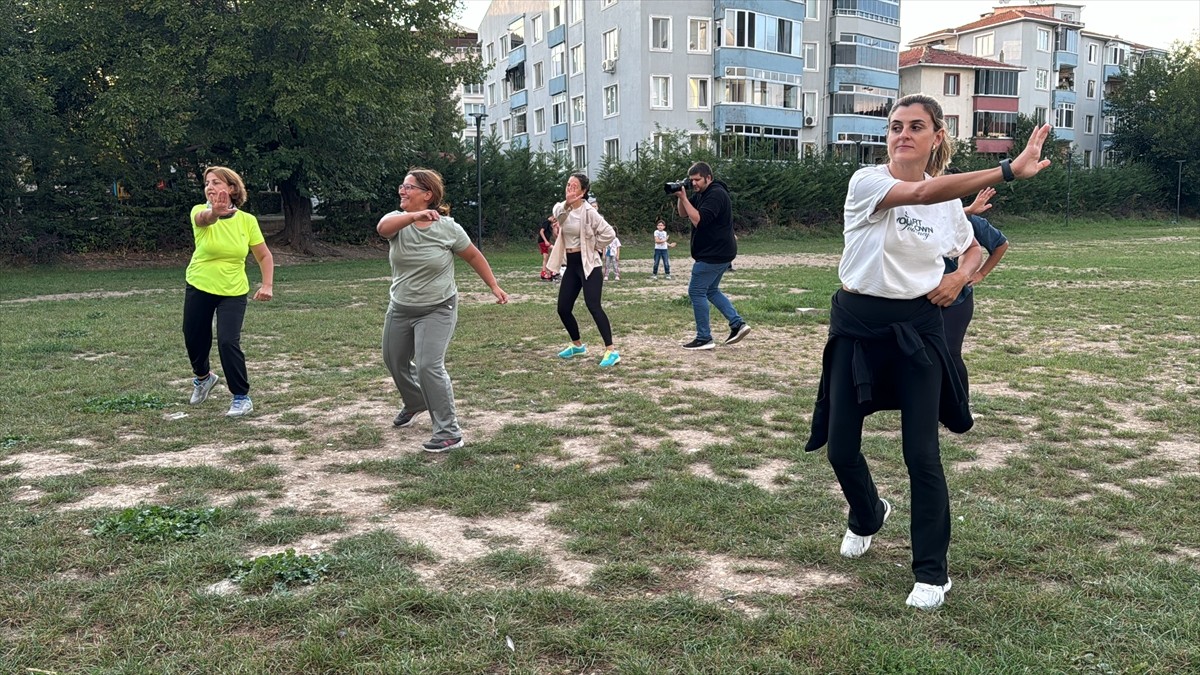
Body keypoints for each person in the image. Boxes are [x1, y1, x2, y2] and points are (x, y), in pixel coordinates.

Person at [804, 93, 1051, 610]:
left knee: (922, 455)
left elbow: (973, 245)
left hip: (917, 330)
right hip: (857, 326)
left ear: (936, 136)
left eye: (916, 126)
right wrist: (1004, 171)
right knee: (840, 448)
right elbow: (918, 194)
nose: (902, 134)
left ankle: (932, 573)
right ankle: (869, 513)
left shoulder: (944, 203)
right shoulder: (867, 182)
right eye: (895, 126)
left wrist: (961, 277)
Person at [377, 168, 509, 453]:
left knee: (428, 365)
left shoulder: (448, 228)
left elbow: (473, 255)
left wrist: (494, 286)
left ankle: (449, 432)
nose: (402, 190)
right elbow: (382, 229)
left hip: (438, 308)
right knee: (393, 360)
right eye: (402, 186)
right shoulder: (396, 221)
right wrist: (413, 217)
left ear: (428, 195)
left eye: (409, 187)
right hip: (400, 307)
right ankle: (415, 402)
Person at [183, 166, 274, 418]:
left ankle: (241, 397)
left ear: (232, 188)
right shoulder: (199, 212)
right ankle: (203, 378)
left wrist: (267, 285)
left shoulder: (247, 221)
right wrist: (215, 212)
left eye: (216, 183)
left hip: (233, 289)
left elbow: (264, 255)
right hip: (199, 284)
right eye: (207, 183)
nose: (209, 187)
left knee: (227, 340)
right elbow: (205, 219)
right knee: (194, 337)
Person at [545, 173, 621, 368]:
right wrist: (568, 204)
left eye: (574, 186)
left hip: (589, 264)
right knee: (563, 308)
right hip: (571, 264)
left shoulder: (590, 212)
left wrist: (595, 244)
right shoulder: (560, 207)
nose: (569, 188)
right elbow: (560, 218)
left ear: (583, 191)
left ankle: (611, 351)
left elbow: (610, 233)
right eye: (568, 185)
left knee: (593, 305)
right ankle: (577, 345)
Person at [672, 161, 749, 350]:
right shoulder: (702, 193)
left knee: (696, 292)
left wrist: (685, 197)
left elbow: (699, 221)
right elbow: (684, 214)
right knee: (711, 290)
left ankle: (704, 337)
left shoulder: (716, 194)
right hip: (721, 252)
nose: (694, 184)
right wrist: (681, 196)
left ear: (708, 177)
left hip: (713, 253)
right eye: (691, 180)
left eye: (697, 180)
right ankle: (737, 324)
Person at [943, 186, 1009, 392]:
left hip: (957, 300)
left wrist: (981, 273)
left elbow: (1001, 245)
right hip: (921, 299)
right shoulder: (922, 218)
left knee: (951, 354)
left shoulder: (971, 222)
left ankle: (960, 406)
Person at [538, 216, 556, 281]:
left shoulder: (550, 225)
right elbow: (541, 232)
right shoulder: (546, 222)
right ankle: (544, 272)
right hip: (543, 242)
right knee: (548, 255)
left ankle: (548, 271)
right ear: (551, 217)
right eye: (554, 219)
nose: (554, 220)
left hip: (546, 242)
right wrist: (545, 241)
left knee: (547, 256)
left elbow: (553, 234)